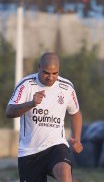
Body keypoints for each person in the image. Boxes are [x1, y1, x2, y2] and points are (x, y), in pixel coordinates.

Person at [6, 52, 83, 182]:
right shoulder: (26, 84)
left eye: (55, 73)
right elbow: (9, 112)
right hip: (29, 152)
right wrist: (31, 103)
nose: (50, 77)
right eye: (46, 73)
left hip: (56, 146)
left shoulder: (67, 87)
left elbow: (75, 113)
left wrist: (77, 138)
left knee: (65, 174)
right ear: (39, 68)